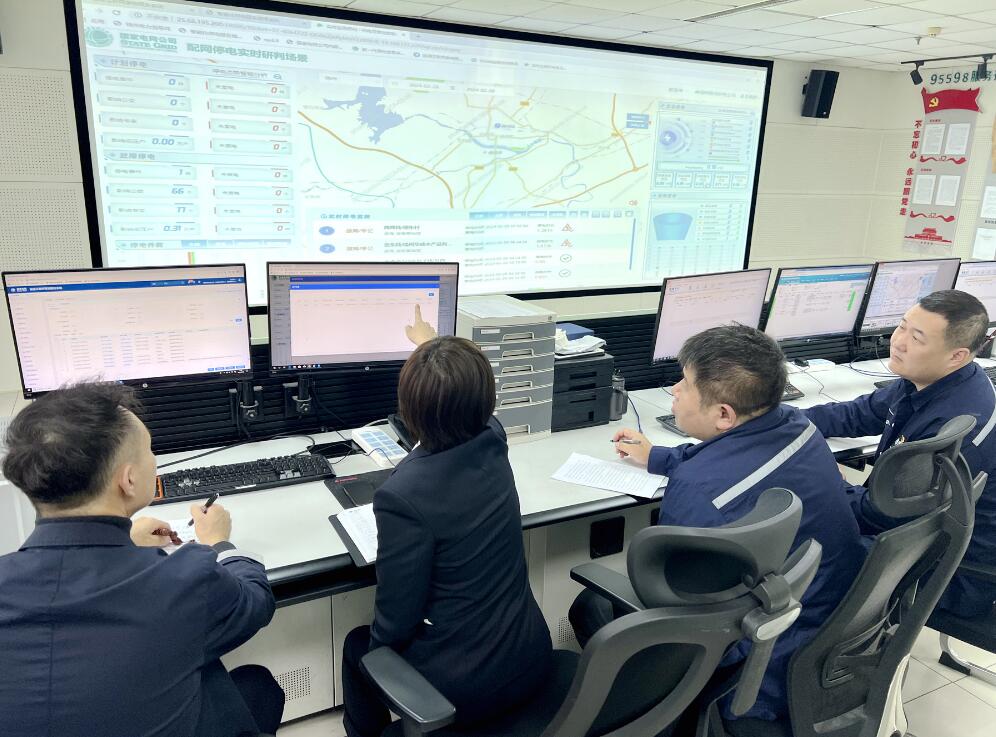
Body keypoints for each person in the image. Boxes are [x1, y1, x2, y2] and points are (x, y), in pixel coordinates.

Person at [569, 324, 865, 723]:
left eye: (685, 384)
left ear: (723, 414)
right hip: (826, 624)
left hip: (758, 663)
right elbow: (732, 455)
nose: (674, 390)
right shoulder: (799, 426)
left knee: (590, 607)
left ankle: (652, 713)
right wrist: (658, 456)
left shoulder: (699, 493)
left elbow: (671, 603)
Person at [0, 383, 284, 737]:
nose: (154, 459)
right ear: (129, 480)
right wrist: (219, 542)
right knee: (257, 687)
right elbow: (256, 602)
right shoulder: (183, 579)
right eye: (150, 449)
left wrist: (125, 540)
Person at [341, 336, 552, 737]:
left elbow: (396, 619)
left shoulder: (403, 494)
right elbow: (468, 401)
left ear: (408, 412)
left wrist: (380, 659)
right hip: (528, 656)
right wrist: (439, 358)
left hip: (465, 690)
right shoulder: (494, 437)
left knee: (361, 650)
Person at [804, 290, 996, 617]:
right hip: (914, 538)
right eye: (902, 326)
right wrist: (776, 420)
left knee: (795, 544)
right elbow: (857, 414)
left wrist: (828, 482)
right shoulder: (935, 380)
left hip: (945, 574)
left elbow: (878, 515)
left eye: (917, 338)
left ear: (956, 356)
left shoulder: (955, 428)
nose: (899, 342)